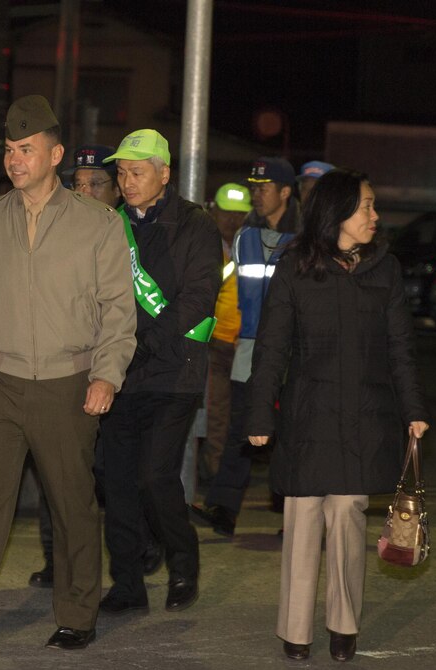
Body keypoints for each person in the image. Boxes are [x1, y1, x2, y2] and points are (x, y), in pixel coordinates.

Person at [0, 96, 136, 661]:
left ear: (54, 155)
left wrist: (106, 375)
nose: (15, 160)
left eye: (26, 150)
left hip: (67, 383)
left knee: (72, 504)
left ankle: (77, 615)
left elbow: (118, 310)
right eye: (10, 150)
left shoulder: (98, 223)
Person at [246, 168, 429, 662]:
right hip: (309, 413)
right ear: (338, 211)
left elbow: (400, 348)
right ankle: (295, 630)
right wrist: (260, 415)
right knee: (303, 516)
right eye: (366, 205)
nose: (375, 215)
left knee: (348, 514)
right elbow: (272, 347)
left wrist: (413, 408)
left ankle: (344, 625)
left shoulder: (384, 269)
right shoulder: (296, 267)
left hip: (365, 414)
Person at [97, 129, 222, 616]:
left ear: (164, 174)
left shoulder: (195, 224)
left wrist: (144, 344)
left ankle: (183, 561)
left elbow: (198, 298)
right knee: (116, 481)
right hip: (119, 373)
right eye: (122, 173)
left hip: (174, 372)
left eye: (137, 172)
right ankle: (127, 582)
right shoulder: (111, 224)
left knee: (154, 476)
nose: (127, 182)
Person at [29, 142, 123, 589]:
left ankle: (129, 556)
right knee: (57, 472)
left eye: (95, 184)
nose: (84, 192)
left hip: (120, 372)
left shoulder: (122, 231)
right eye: (77, 184)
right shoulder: (57, 231)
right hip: (65, 374)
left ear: (117, 190)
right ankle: (56, 560)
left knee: (110, 475)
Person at [192, 158, 300, 537]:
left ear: (285, 192)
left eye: (263, 188)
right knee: (239, 428)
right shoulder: (245, 238)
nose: (256, 194)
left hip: (292, 350)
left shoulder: (304, 240)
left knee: (290, 433)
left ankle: (294, 517)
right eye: (254, 187)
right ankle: (223, 509)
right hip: (249, 347)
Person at [199, 183, 251, 482]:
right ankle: (216, 477)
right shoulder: (204, 244)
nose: (233, 220)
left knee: (239, 415)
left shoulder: (252, 246)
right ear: (214, 211)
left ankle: (227, 478)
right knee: (216, 415)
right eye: (227, 213)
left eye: (239, 214)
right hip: (215, 343)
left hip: (245, 345)